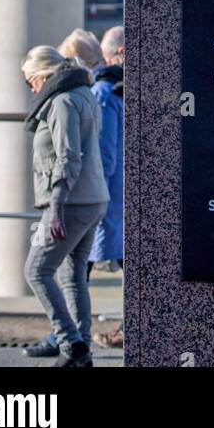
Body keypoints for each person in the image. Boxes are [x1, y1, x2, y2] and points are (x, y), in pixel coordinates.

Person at [21, 45, 109, 367]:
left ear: (43, 74)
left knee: (36, 270)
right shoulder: (82, 93)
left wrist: (56, 204)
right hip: (92, 198)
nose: (30, 86)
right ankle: (81, 353)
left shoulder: (61, 102)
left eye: (30, 79)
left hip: (71, 202)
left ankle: (71, 344)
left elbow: (69, 157)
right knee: (73, 277)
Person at [90, 26, 124, 347]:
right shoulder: (125, 88)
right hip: (122, 198)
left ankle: (65, 335)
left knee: (75, 268)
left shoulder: (104, 92)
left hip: (107, 197)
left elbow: (104, 155)